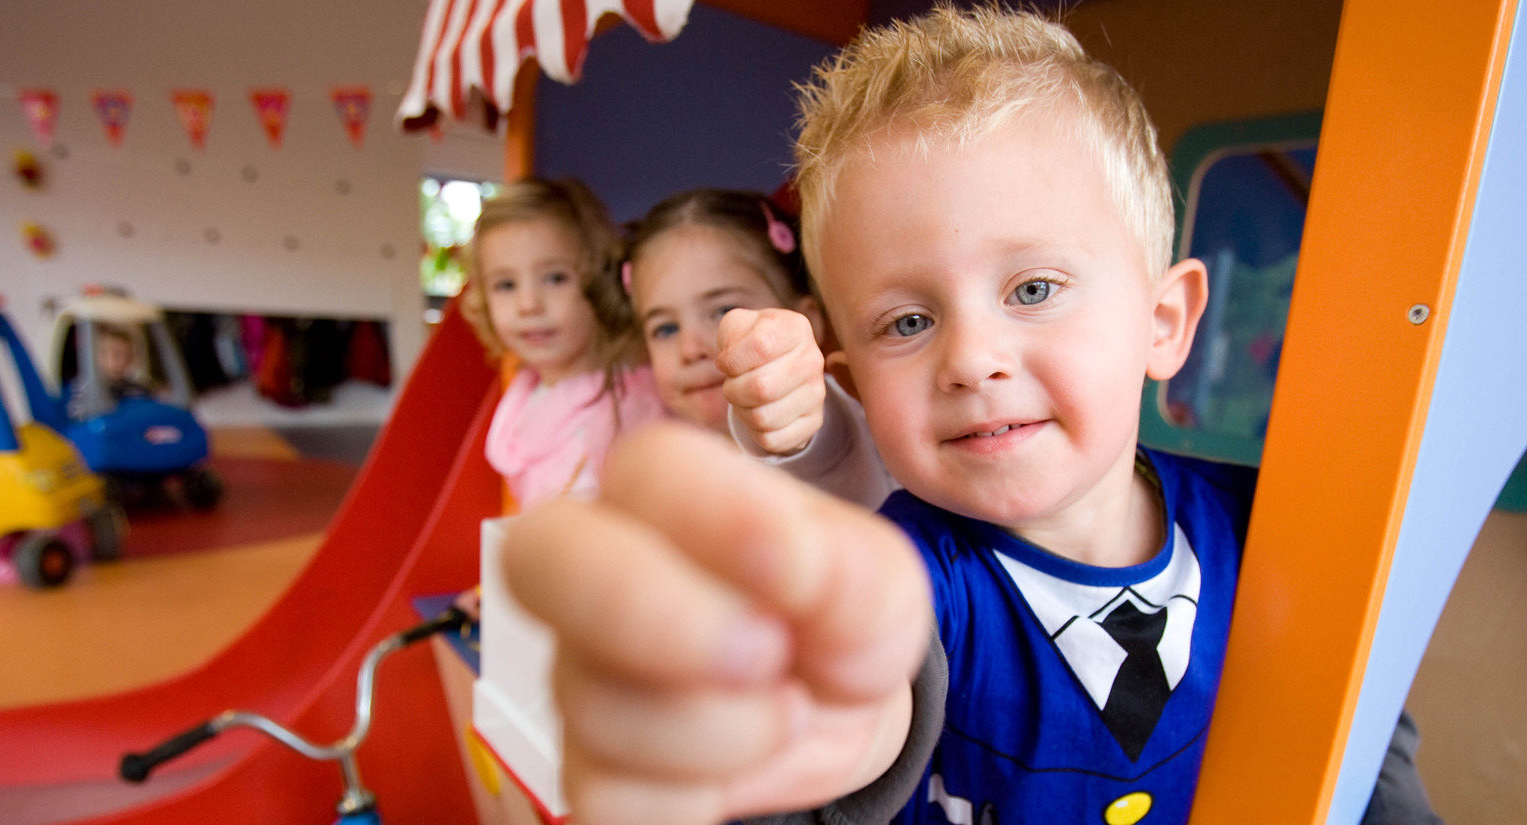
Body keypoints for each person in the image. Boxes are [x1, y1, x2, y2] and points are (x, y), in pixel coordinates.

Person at [503, 8, 1442, 825]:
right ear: (856, 380)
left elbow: (1360, 737)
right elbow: (870, 684)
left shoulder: (1272, 530)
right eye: (907, 321)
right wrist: (788, 713)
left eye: (1033, 286)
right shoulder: (912, 578)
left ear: (1162, 324)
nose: (970, 358)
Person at [621, 188, 893, 508]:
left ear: (805, 319)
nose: (690, 349)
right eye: (665, 329)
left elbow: (827, 446)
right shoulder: (661, 465)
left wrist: (797, 431)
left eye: (724, 312)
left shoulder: (837, 420)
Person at [459, 178, 664, 510]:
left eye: (555, 278)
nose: (528, 304)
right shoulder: (528, 393)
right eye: (506, 284)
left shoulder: (626, 410)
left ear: (600, 281)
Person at [68, 324, 155, 419]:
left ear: (131, 359)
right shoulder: (81, 387)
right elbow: (76, 419)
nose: (110, 358)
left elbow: (147, 416)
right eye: (104, 352)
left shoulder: (138, 390)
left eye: (117, 354)